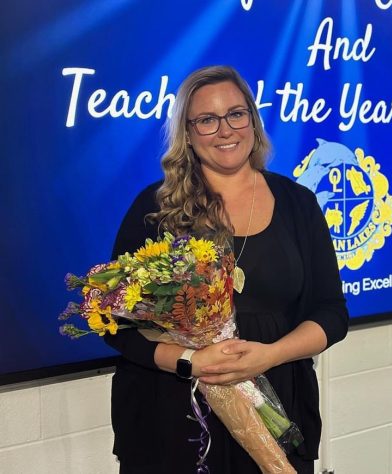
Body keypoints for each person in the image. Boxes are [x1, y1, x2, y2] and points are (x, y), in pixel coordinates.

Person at [104, 65, 349, 474]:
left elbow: (331, 313)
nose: (225, 130)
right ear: (187, 131)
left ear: (252, 119)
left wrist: (268, 356)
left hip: (276, 407)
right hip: (171, 419)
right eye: (207, 120)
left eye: (236, 114)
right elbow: (116, 323)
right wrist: (189, 361)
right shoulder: (154, 210)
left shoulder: (298, 203)